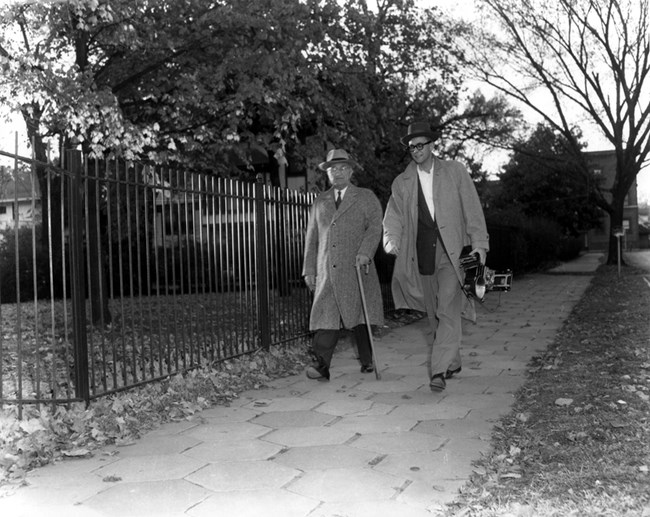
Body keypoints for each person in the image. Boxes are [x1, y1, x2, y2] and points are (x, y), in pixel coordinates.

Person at [383, 121, 489, 391]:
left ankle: (438, 371)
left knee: (447, 308)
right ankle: (452, 361)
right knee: (434, 315)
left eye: (421, 145)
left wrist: (480, 244)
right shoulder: (402, 182)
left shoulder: (454, 172)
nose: (416, 150)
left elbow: (472, 210)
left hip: (453, 253)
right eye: (411, 147)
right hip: (421, 255)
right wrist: (391, 241)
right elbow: (393, 217)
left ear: (432, 145)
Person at [302, 149, 384, 380]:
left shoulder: (365, 197)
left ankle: (367, 360)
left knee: (359, 318)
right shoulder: (320, 201)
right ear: (327, 173)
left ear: (350, 171)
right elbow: (312, 237)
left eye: (342, 168)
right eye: (332, 169)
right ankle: (321, 366)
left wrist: (366, 253)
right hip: (327, 269)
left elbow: (375, 227)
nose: (337, 173)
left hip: (357, 268)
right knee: (326, 317)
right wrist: (309, 269)